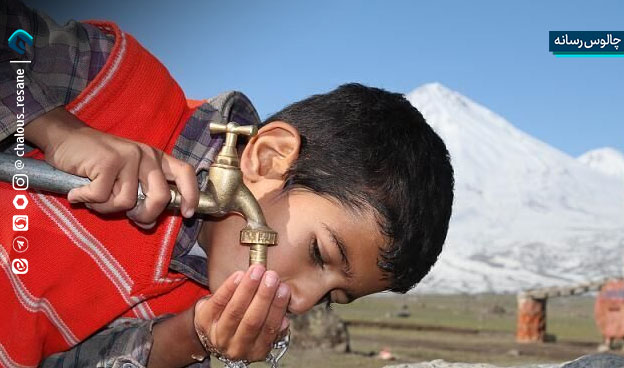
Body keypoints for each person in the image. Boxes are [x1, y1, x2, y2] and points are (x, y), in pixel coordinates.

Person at [0, 1, 454, 367]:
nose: (300, 300)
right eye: (320, 253)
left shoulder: (196, 309)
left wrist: (190, 336)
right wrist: (52, 127)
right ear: (268, 156)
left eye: (332, 298)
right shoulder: (114, 85)